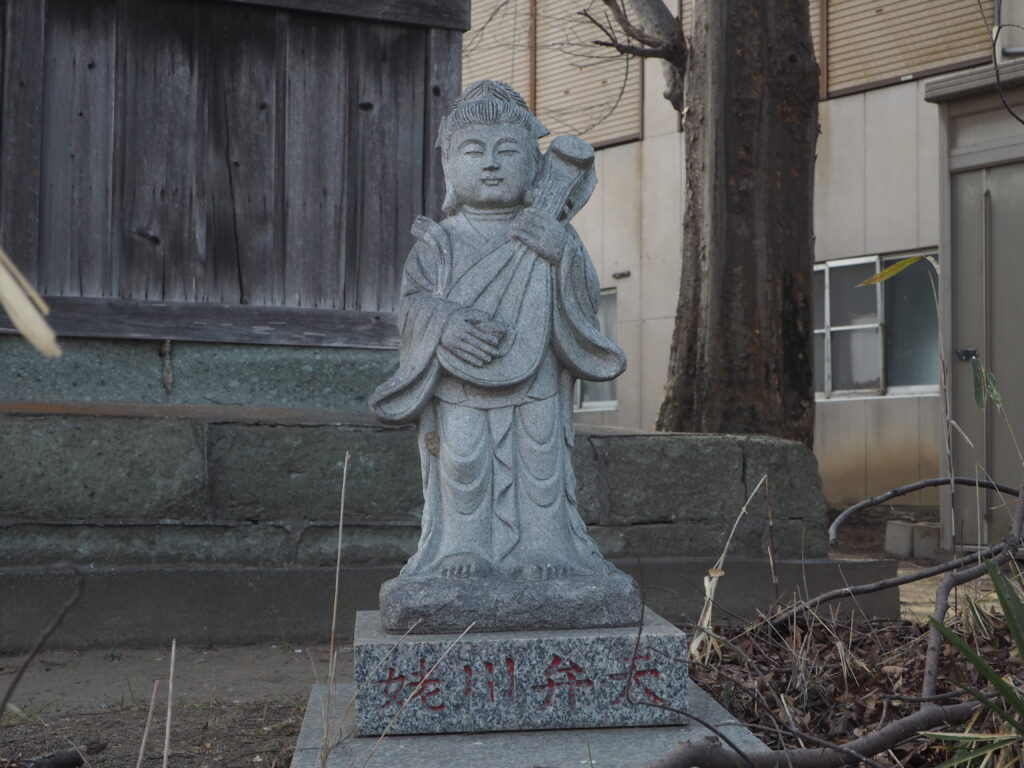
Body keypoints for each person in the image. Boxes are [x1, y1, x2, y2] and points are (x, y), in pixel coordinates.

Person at [369, 80, 626, 582]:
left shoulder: (554, 230)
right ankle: (460, 548)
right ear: (448, 166)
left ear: (533, 163)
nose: (490, 163)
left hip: (536, 376)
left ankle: (545, 545)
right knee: (462, 462)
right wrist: (442, 323)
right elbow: (412, 307)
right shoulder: (438, 242)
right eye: (473, 151)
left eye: (507, 150)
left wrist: (561, 254)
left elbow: (583, 297)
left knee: (540, 461)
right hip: (459, 380)